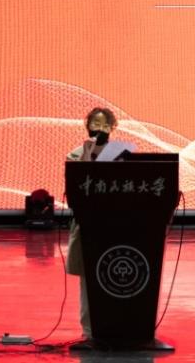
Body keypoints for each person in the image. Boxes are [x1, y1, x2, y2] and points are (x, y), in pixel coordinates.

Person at [66, 107, 137, 341]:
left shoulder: (122, 154)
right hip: (87, 225)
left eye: (105, 124)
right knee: (88, 280)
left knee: (114, 274)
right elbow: (77, 186)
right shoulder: (76, 154)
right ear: (88, 126)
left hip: (114, 225)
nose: (100, 129)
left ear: (112, 128)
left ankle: (116, 325)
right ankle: (89, 332)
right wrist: (89, 152)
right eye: (96, 123)